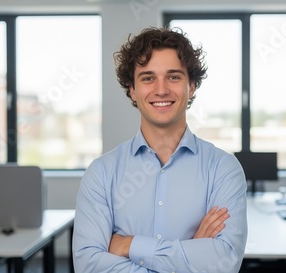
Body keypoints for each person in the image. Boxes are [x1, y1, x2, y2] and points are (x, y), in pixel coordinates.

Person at [73, 26, 248, 273]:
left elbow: (224, 263)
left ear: (192, 87)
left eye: (174, 77)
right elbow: (88, 266)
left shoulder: (223, 170)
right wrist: (190, 253)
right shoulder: (101, 173)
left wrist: (130, 245)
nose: (161, 89)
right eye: (148, 78)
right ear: (132, 90)